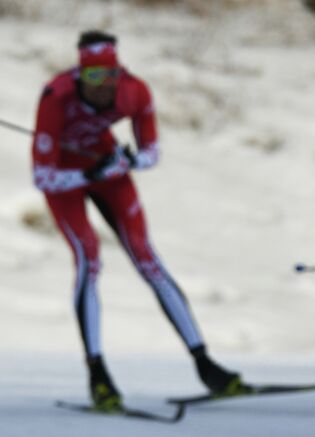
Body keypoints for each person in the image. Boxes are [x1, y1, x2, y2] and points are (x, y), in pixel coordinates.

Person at [32, 30, 242, 410]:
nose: (104, 85)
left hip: (108, 171)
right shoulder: (56, 98)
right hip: (66, 181)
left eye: (111, 74)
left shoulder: (135, 91)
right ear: (81, 76)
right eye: (94, 77)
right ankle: (98, 375)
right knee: (89, 259)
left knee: (148, 259)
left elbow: (152, 153)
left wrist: (127, 162)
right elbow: (41, 176)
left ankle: (206, 364)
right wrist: (87, 176)